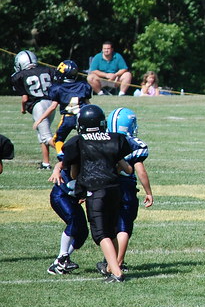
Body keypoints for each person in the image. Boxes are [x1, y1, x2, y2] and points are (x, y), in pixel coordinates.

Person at [60, 104, 134, 283]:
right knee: (111, 230)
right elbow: (128, 169)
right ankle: (111, 266)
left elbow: (74, 174)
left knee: (101, 234)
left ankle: (116, 273)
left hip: (95, 191)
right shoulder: (115, 139)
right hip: (114, 189)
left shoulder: (78, 142)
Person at [98, 108, 154, 275]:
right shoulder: (134, 144)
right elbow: (140, 171)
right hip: (126, 188)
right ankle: (117, 263)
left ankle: (110, 262)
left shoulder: (101, 140)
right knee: (123, 227)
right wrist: (148, 192)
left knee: (110, 226)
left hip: (105, 188)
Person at [10, 50, 55, 169]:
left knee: (46, 136)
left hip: (39, 106)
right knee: (42, 136)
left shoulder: (19, 76)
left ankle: (68, 151)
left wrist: (23, 109)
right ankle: (46, 163)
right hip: (50, 105)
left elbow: (25, 98)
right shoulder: (47, 70)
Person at [34, 60, 92, 153]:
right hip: (82, 117)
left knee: (57, 140)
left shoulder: (58, 88)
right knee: (87, 139)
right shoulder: (83, 85)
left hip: (68, 118)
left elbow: (53, 107)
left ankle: (63, 160)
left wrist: (40, 119)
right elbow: (88, 103)